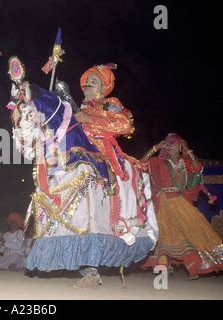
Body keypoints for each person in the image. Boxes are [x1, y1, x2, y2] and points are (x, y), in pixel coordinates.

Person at [72, 63, 156, 289]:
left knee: (95, 213)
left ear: (103, 86)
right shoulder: (77, 107)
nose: (88, 84)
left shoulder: (111, 104)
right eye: (86, 82)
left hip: (105, 158)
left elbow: (125, 124)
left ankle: (92, 270)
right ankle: (83, 263)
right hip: (80, 158)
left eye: (94, 81)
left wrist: (91, 120)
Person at [140, 133, 223, 278]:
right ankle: (164, 266)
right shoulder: (158, 162)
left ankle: (195, 265)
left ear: (180, 145)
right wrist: (155, 147)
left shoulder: (187, 163)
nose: (170, 147)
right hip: (162, 203)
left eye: (174, 144)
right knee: (167, 234)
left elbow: (198, 169)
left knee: (190, 233)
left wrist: (188, 149)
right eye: (167, 144)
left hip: (182, 203)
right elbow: (141, 163)